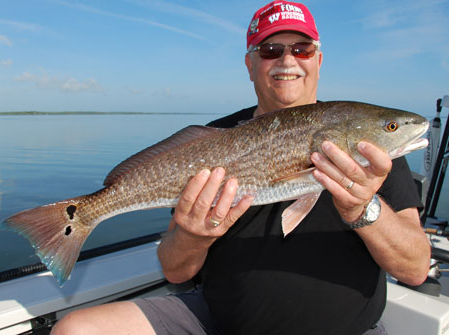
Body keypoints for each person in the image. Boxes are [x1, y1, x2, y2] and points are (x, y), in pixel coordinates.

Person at [52, 1, 430, 334]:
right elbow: (175, 272)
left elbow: (415, 269)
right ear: (250, 64)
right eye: (270, 50)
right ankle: (79, 218)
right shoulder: (210, 142)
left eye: (302, 48)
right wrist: (194, 235)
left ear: (318, 59)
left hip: (347, 329)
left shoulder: (379, 157)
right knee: (75, 330)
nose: (287, 60)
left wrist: (364, 208)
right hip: (215, 321)